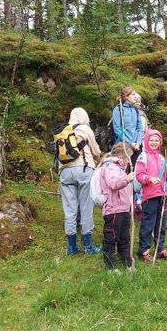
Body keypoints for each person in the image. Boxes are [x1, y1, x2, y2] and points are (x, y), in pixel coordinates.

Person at [58, 107, 102, 256]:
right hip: (84, 170)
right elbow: (96, 151)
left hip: (65, 172)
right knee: (86, 208)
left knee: (69, 209)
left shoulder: (64, 131)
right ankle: (88, 247)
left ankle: (71, 247)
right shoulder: (84, 129)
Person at [135, 129, 167, 262]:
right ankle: (143, 252)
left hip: (162, 194)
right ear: (146, 141)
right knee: (148, 223)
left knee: (161, 223)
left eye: (156, 140)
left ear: (160, 142)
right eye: (151, 140)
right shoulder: (143, 157)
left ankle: (160, 249)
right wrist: (149, 179)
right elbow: (139, 175)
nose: (154, 142)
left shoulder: (162, 158)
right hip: (149, 195)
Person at [100, 143, 135, 272]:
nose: (130, 160)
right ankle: (110, 266)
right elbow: (113, 184)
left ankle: (127, 262)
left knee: (124, 238)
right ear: (122, 156)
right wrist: (127, 179)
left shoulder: (120, 168)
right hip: (113, 209)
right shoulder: (110, 167)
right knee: (111, 237)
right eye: (129, 157)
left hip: (124, 209)